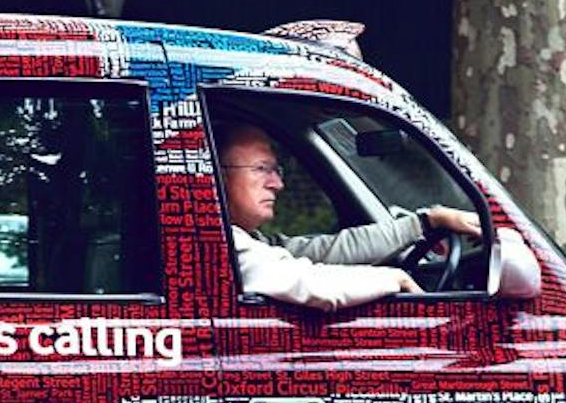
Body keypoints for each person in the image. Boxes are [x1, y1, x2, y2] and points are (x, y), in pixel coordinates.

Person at [219, 122, 542, 311]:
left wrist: (425, 222)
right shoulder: (220, 244)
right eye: (262, 169)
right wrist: (395, 279)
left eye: (276, 170)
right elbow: (309, 281)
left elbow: (317, 252)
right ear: (214, 176)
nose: (278, 183)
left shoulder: (248, 242)